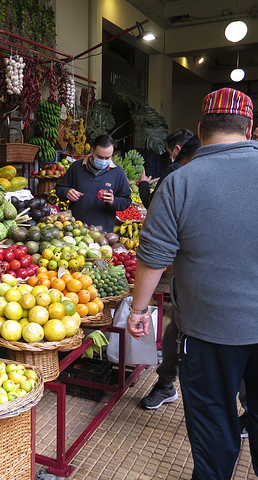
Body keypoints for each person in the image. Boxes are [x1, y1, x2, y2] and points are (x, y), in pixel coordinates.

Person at [127, 87, 258, 479]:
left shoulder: (180, 181)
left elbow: (154, 256)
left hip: (207, 331)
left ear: (201, 130)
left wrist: (138, 311)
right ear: (250, 127)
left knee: (213, 422)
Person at [138, 135, 201, 410]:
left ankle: (249, 413)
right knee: (176, 333)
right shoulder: (177, 179)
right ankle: (165, 385)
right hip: (188, 288)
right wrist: (139, 309)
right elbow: (157, 247)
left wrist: (138, 310)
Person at [55, 134, 131, 232]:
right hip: (76, 230)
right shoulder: (77, 167)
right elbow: (59, 188)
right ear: (92, 151)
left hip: (104, 233)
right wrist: (67, 192)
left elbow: (126, 201)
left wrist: (113, 201)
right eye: (100, 157)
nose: (103, 161)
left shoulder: (118, 172)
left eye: (107, 158)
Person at [138, 129, 195, 209]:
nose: (169, 156)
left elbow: (152, 203)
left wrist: (143, 184)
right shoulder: (201, 167)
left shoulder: (173, 171)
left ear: (177, 149)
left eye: (169, 152)